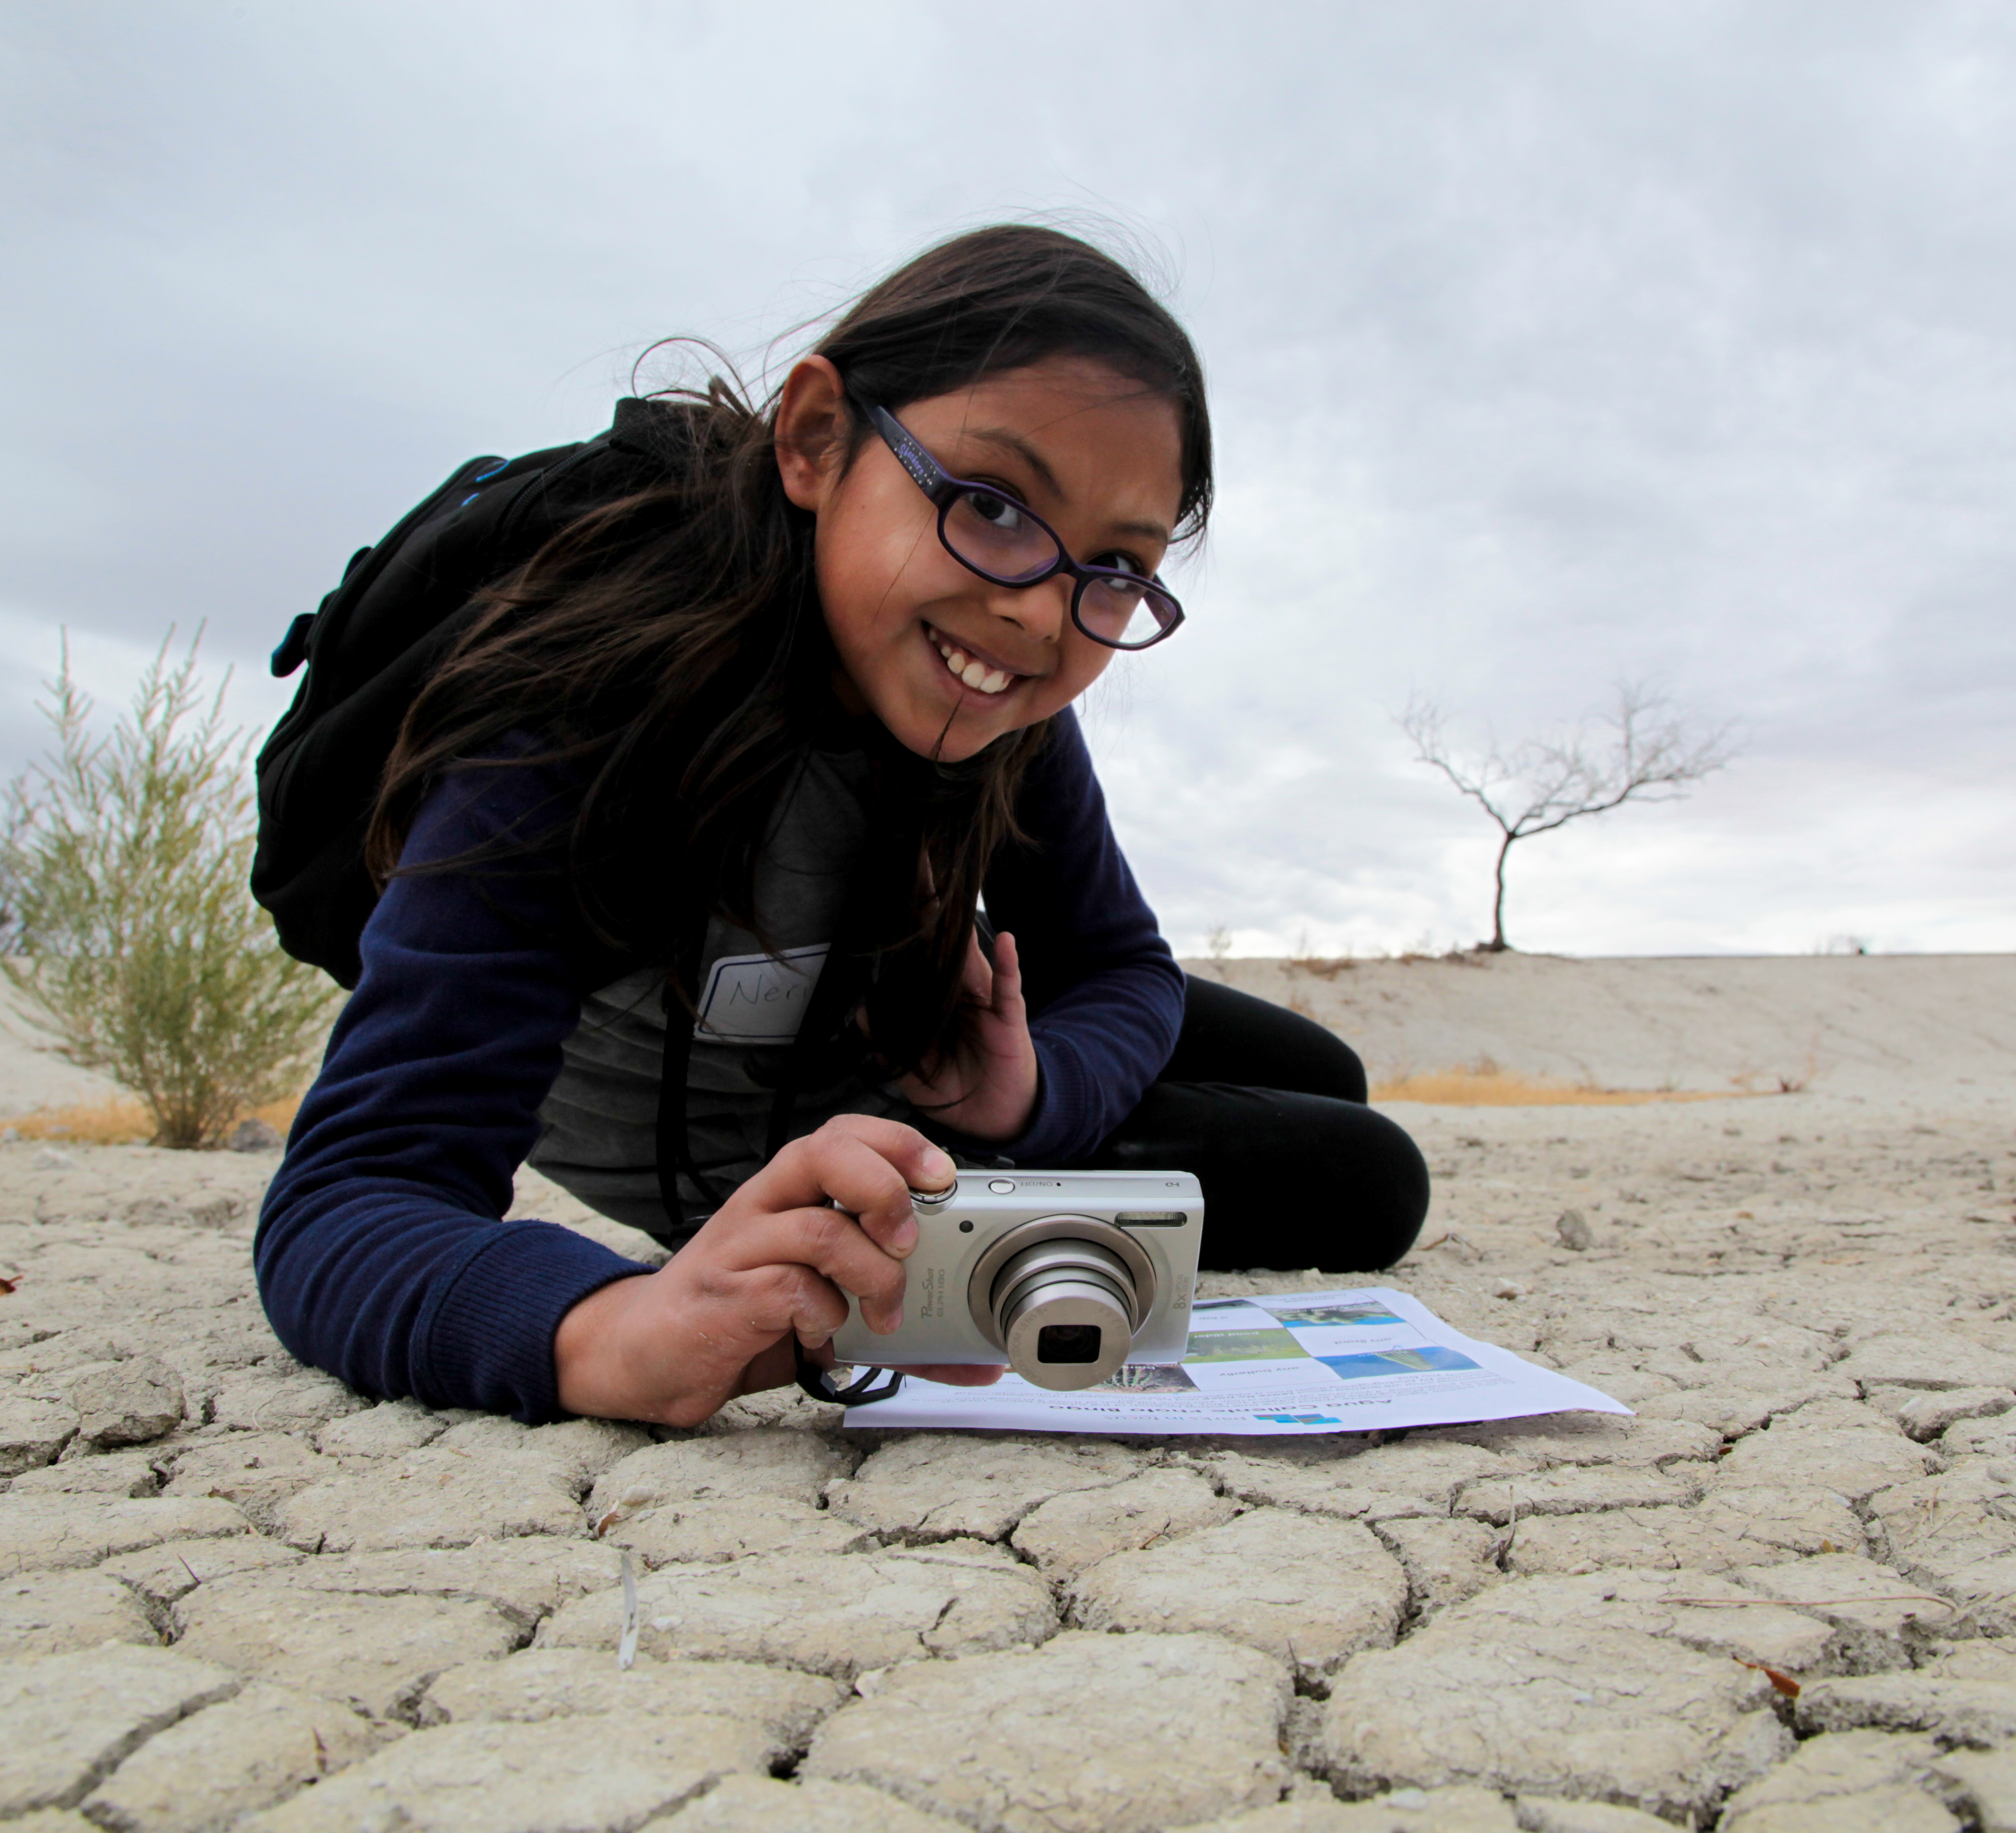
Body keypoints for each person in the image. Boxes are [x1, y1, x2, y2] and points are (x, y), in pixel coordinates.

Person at [256, 225, 1429, 1429]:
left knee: (1318, 1067)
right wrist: (609, 1329)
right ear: (819, 440)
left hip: (908, 1037)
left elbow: (1118, 963)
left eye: (1116, 568)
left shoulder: (993, 695)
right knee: (1368, 1176)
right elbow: (350, 1199)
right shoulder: (588, 696)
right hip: (787, 1146)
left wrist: (1030, 1095)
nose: (1038, 618)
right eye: (992, 505)